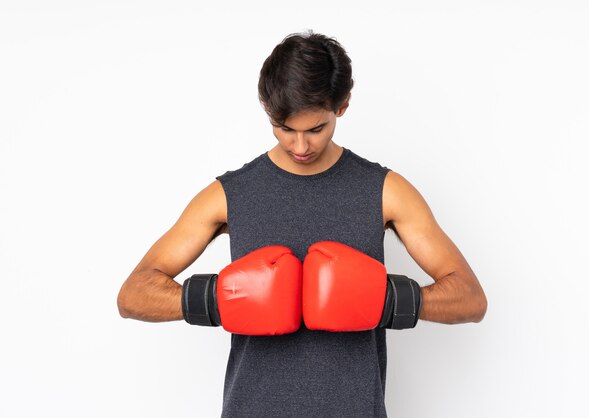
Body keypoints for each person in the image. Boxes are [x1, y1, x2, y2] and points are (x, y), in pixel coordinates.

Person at [117, 30, 488, 417]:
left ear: (342, 106)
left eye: (315, 129)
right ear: (265, 108)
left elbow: (470, 298)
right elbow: (133, 296)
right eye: (284, 128)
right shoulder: (230, 195)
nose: (299, 146)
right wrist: (217, 299)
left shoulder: (385, 192)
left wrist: (386, 301)